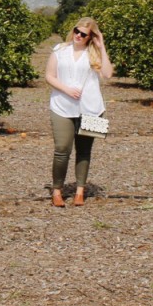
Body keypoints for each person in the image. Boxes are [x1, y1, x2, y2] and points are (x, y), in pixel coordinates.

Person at [45, 16, 113, 207]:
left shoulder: (93, 54)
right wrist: (66, 89)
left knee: (84, 151)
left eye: (83, 34)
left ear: (90, 37)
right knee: (61, 150)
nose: (78, 36)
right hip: (61, 106)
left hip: (91, 108)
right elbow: (49, 75)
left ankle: (80, 191)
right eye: (77, 31)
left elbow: (107, 74)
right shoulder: (60, 50)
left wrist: (102, 47)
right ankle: (57, 191)